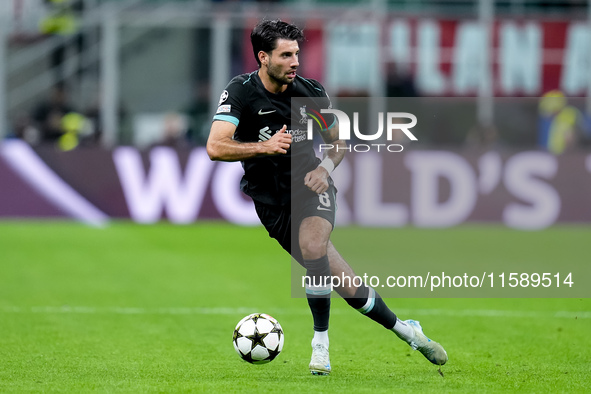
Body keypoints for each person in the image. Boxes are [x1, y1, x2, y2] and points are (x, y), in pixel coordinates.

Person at [206, 19, 447, 375]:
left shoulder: (309, 92)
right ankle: (409, 331)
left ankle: (321, 345)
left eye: (297, 54)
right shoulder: (240, 91)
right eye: (286, 55)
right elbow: (215, 146)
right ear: (263, 57)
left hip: (312, 187)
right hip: (271, 204)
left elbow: (338, 144)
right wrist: (265, 147)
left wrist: (324, 170)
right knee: (348, 285)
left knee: (314, 246)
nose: (295, 61)